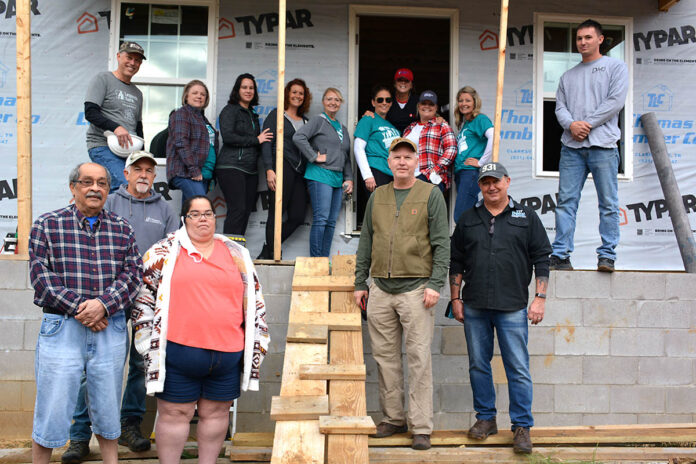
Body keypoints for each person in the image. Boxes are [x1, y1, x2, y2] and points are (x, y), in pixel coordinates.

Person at [132, 195, 270, 464]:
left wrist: (257, 343)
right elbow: (143, 299)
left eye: (208, 213)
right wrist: (146, 345)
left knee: (217, 414)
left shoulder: (236, 253)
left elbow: (255, 299)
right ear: (185, 219)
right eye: (195, 214)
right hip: (179, 353)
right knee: (174, 414)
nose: (203, 218)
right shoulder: (162, 252)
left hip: (228, 354)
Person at [61, 152, 178, 463]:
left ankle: (129, 424)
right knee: (91, 366)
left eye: (149, 171)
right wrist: (101, 298)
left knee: (140, 364)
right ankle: (80, 436)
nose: (143, 174)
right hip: (107, 296)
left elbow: (170, 254)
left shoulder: (165, 209)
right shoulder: (109, 201)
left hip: (146, 297)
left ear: (155, 176)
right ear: (125, 174)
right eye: (137, 169)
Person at [28, 163, 142, 464]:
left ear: (108, 189)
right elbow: (41, 276)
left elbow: (133, 274)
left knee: (107, 406)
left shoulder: (121, 228)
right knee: (52, 406)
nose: (95, 188)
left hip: (110, 327)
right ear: (73, 187)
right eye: (88, 182)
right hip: (62, 326)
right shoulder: (47, 225)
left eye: (102, 183)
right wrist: (83, 308)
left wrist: (103, 305)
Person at [449, 162, 551, 455]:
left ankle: (521, 427)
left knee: (517, 368)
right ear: (480, 186)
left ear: (507, 181)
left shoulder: (526, 216)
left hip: (513, 307)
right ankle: (486, 418)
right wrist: (456, 299)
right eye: (485, 183)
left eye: (496, 181)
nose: (491, 187)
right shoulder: (468, 219)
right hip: (475, 306)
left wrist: (540, 297)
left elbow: (542, 257)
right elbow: (456, 261)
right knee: (478, 365)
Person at [354, 138, 449, 451]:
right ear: (389, 161)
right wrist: (360, 282)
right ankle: (393, 418)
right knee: (385, 358)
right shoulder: (378, 196)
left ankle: (421, 427)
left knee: (419, 359)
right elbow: (367, 240)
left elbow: (441, 242)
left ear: (416, 161)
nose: (403, 162)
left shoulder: (430, 194)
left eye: (409, 157)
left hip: (416, 289)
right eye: (397, 157)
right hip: (380, 288)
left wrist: (436, 284)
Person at [550, 19, 629, 272]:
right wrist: (572, 125)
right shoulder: (567, 76)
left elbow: (615, 101)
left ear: (600, 40)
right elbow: (559, 107)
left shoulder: (615, 67)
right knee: (566, 203)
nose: (582, 42)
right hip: (571, 148)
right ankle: (561, 255)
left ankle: (607, 255)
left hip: (604, 147)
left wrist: (587, 124)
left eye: (588, 38)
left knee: (608, 204)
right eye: (579, 38)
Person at [293, 88, 353, 257]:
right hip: (320, 175)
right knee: (321, 219)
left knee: (331, 222)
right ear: (323, 102)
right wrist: (313, 156)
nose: (333, 102)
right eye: (329, 99)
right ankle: (316, 261)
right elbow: (299, 137)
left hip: (337, 179)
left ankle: (324, 260)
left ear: (340, 103)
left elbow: (345, 155)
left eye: (337, 100)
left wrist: (349, 178)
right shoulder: (318, 120)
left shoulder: (342, 128)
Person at [257, 78, 312, 259]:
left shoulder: (306, 121)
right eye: (294, 92)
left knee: (297, 216)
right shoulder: (277, 115)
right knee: (276, 212)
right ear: (287, 94)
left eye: (301, 93)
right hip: (281, 167)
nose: (297, 96)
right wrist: (269, 169)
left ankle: (268, 249)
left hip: (300, 172)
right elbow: (266, 143)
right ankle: (271, 254)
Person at [84, 42, 146, 192]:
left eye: (137, 60)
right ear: (118, 57)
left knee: (138, 189)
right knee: (124, 186)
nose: (133, 63)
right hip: (103, 146)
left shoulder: (137, 93)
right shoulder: (103, 79)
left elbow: (137, 126)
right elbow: (90, 112)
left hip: (129, 150)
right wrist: (116, 128)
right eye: (129, 57)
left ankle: (106, 215)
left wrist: (143, 154)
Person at [217, 73, 273, 235]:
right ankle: (228, 253)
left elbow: (258, 143)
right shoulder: (230, 110)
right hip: (231, 166)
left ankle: (237, 252)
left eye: (251, 88)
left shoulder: (253, 114)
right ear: (237, 90)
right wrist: (257, 139)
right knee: (238, 209)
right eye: (244, 87)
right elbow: (228, 137)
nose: (248, 91)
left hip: (250, 170)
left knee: (246, 211)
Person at [166, 80, 219, 204]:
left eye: (203, 94)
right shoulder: (181, 114)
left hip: (203, 174)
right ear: (186, 96)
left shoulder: (202, 119)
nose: (199, 96)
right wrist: (193, 169)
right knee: (201, 206)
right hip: (187, 173)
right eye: (195, 93)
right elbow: (180, 142)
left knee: (190, 214)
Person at [453, 86, 494, 222]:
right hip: (461, 173)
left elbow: (494, 137)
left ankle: (461, 243)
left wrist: (481, 162)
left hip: (470, 173)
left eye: (468, 100)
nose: (463, 103)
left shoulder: (480, 119)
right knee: (471, 215)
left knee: (460, 216)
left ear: (475, 102)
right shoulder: (466, 124)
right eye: (461, 100)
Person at [403, 90, 457, 192]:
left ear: (436, 108)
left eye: (431, 104)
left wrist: (435, 169)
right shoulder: (409, 129)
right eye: (424, 103)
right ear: (418, 106)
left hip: (430, 178)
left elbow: (452, 149)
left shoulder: (442, 125)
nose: (427, 106)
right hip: (408, 179)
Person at [354, 85, 400, 198]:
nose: (384, 103)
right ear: (373, 103)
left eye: (388, 100)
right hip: (376, 171)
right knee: (378, 210)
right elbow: (358, 147)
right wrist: (367, 175)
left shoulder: (393, 126)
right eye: (380, 100)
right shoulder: (368, 119)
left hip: (392, 173)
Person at [386, 68, 419, 134]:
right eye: (400, 80)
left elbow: (430, 115)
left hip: (412, 140)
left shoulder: (418, 101)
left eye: (406, 81)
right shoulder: (386, 99)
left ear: (411, 85)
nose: (403, 83)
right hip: (389, 138)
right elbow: (376, 115)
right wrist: (369, 114)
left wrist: (438, 118)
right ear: (395, 83)